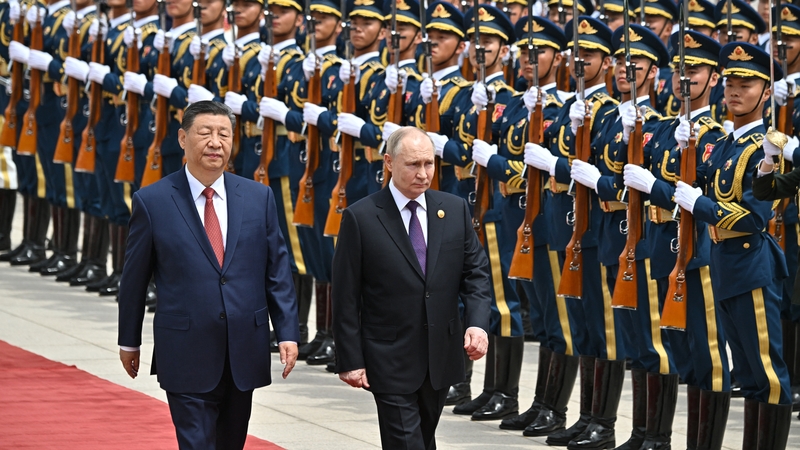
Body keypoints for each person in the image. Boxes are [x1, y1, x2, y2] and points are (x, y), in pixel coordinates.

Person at [117, 101, 300, 449]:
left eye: (224, 134)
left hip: (243, 349)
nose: (216, 142)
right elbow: (135, 280)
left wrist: (287, 331)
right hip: (185, 349)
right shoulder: (152, 201)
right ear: (183, 138)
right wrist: (129, 339)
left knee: (231, 442)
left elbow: (277, 270)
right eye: (205, 133)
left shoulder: (258, 197)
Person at [331, 126, 492, 449]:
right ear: (389, 162)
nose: (423, 174)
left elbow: (476, 272)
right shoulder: (361, 217)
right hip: (388, 356)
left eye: (429, 164)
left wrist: (477, 323)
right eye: (413, 165)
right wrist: (349, 358)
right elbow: (345, 295)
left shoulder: (454, 209)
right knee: (406, 441)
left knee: (422, 438)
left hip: (439, 355)